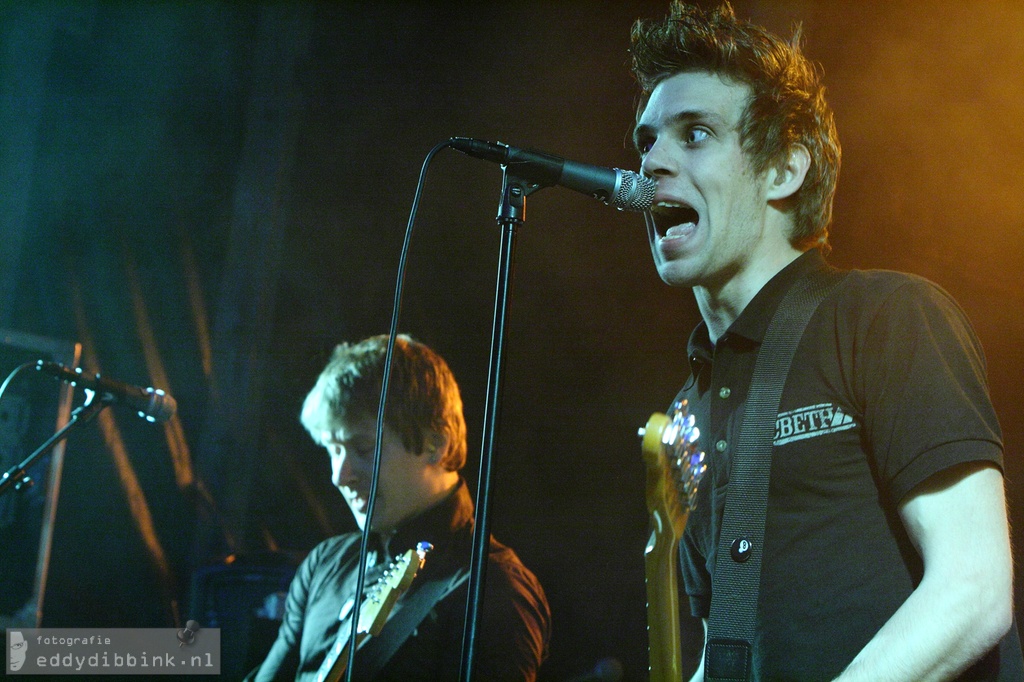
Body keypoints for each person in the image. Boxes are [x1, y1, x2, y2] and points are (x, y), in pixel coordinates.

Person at [628, 3, 1021, 680]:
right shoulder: (688, 411)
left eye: (694, 134)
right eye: (646, 141)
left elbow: (974, 588)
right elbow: (726, 645)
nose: (652, 163)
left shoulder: (886, 318)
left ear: (784, 169)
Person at [249, 334, 550, 681]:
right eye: (333, 450)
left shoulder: (495, 591)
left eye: (363, 448)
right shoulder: (325, 564)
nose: (339, 476)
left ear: (434, 443)